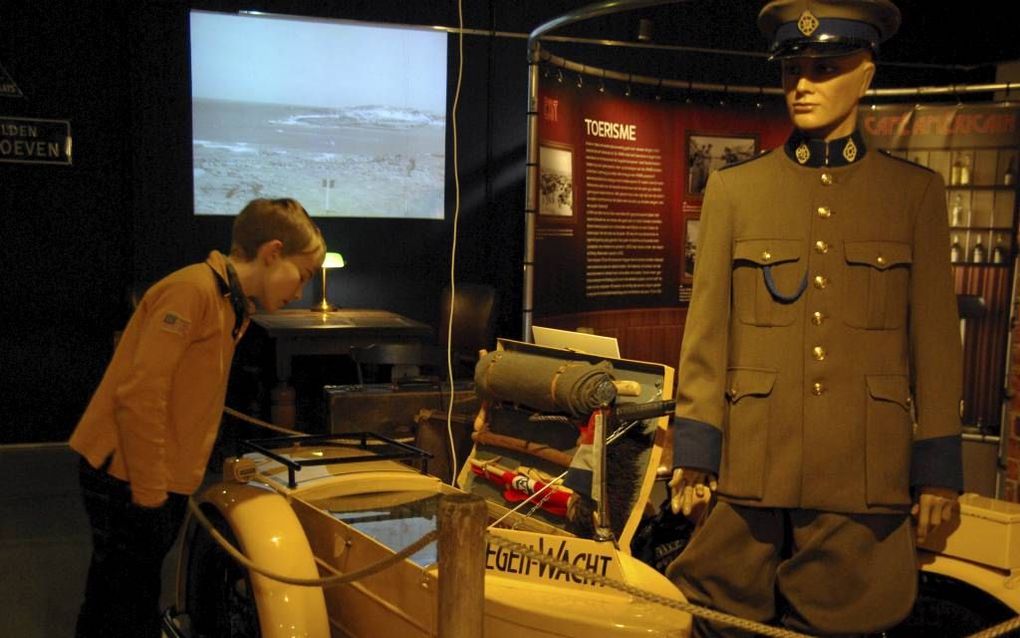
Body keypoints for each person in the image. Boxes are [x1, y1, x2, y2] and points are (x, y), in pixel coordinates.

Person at [666, 1, 962, 635]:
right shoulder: (737, 191)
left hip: (864, 470)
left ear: (867, 74)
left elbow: (936, 342)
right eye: (792, 69)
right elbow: (706, 334)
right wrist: (697, 449)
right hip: (751, 463)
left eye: (826, 67)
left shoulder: (915, 195)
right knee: (714, 614)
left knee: (852, 618)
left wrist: (938, 472)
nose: (802, 85)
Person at [70, 197, 325, 638]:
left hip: (152, 474)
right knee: (125, 603)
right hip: (126, 473)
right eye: (301, 275)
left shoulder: (230, 303)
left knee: (117, 595)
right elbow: (140, 397)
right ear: (272, 252)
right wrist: (151, 494)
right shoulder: (193, 291)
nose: (300, 290)